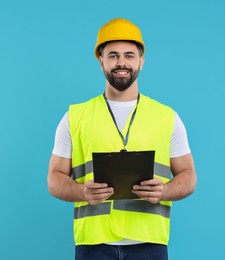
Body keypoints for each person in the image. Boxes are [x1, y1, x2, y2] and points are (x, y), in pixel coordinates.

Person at [47, 18, 197, 260]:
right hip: (93, 244)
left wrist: (165, 191)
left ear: (141, 60)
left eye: (129, 55)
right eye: (113, 55)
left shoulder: (167, 117)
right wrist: (82, 191)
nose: (121, 62)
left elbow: (189, 176)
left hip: (149, 243)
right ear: (101, 61)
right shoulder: (74, 117)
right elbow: (54, 180)